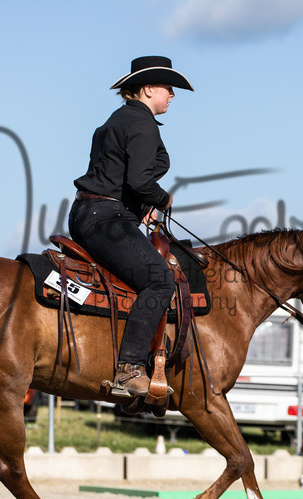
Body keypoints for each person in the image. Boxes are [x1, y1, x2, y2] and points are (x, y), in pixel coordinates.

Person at [68, 56, 193, 399]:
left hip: (94, 213)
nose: (172, 94)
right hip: (106, 218)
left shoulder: (118, 120)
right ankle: (130, 368)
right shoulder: (141, 124)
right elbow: (139, 181)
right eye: (169, 88)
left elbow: (119, 177)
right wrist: (161, 199)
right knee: (158, 280)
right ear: (149, 89)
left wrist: (140, 209)